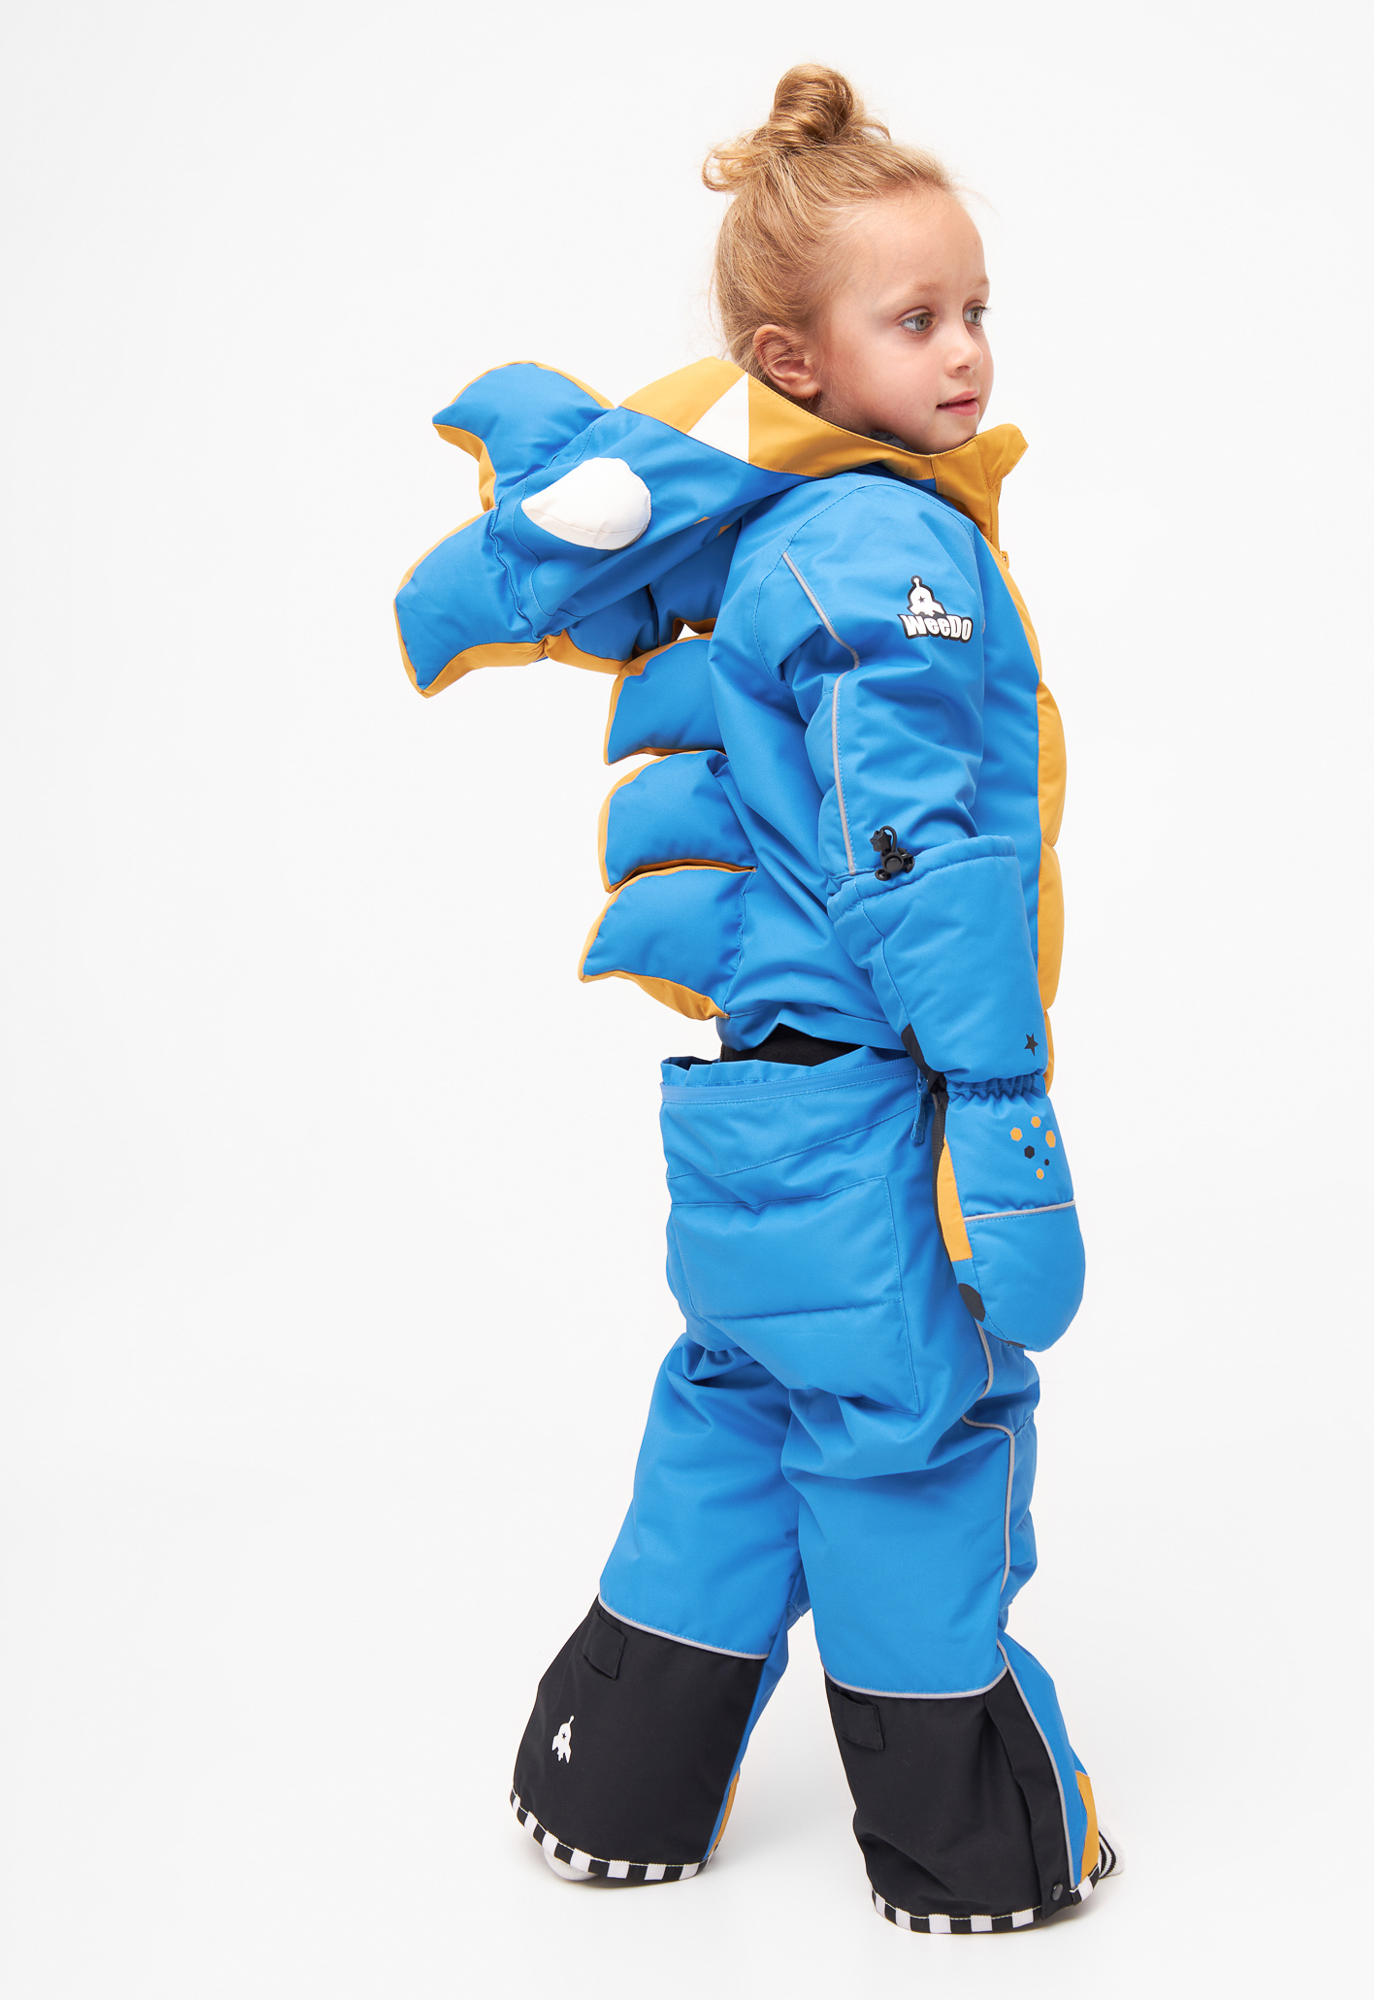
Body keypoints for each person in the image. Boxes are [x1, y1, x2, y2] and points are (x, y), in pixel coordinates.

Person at [393, 63, 1115, 1934]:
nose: (966, 351)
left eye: (976, 309)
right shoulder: (891, 547)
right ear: (793, 364)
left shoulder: (767, 545)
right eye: (915, 319)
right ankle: (976, 1847)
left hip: (750, 1097)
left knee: (738, 1404)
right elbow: (918, 851)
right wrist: (999, 1106)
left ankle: (608, 1786)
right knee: (907, 1433)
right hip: (880, 1095)